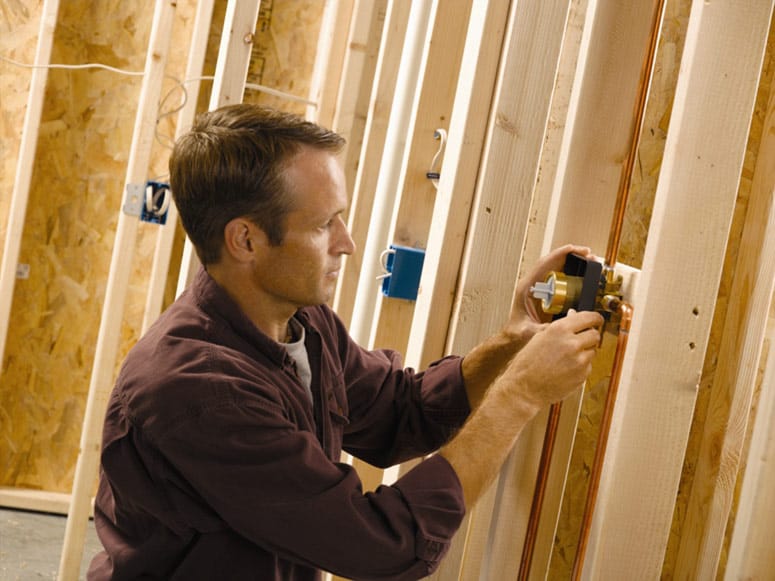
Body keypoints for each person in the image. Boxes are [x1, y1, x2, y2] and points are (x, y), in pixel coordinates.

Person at [88, 104, 603, 580]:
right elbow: (382, 545)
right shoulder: (197, 392)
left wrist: (513, 343)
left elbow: (402, 413)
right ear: (245, 240)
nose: (348, 242)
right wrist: (519, 395)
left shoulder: (302, 324)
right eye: (321, 225)